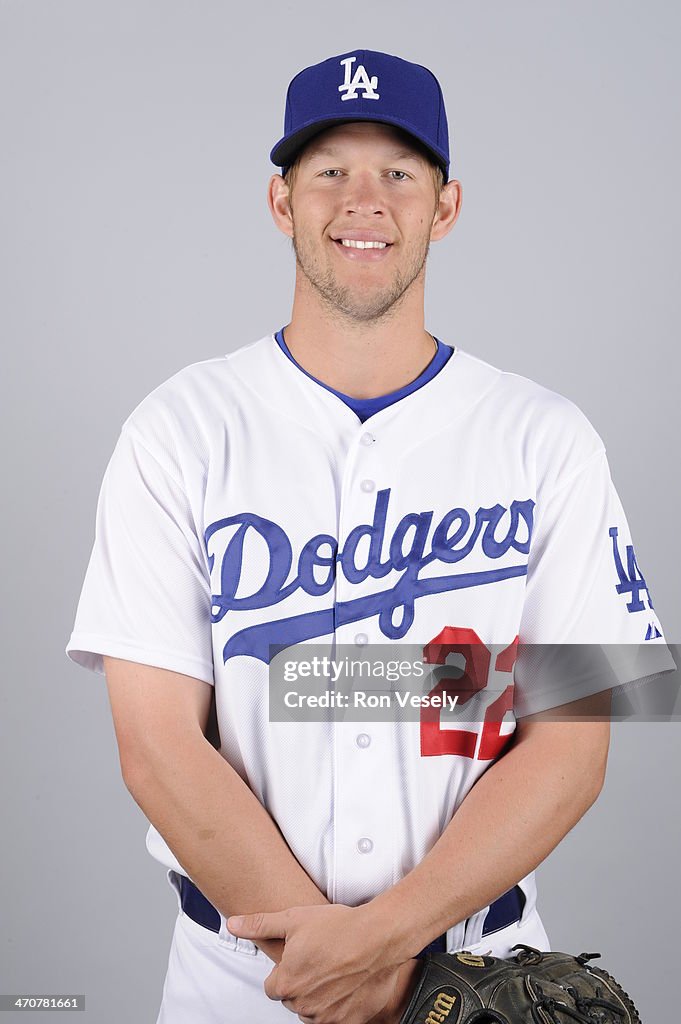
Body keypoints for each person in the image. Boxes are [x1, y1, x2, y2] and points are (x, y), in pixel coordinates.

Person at [65, 48, 674, 1024]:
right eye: (329, 171)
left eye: (398, 171)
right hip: (242, 979)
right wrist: (334, 965)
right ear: (280, 202)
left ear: (446, 205)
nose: (364, 199)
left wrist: (389, 946)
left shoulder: (547, 437)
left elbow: (573, 744)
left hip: (472, 976)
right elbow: (156, 742)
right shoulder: (178, 427)